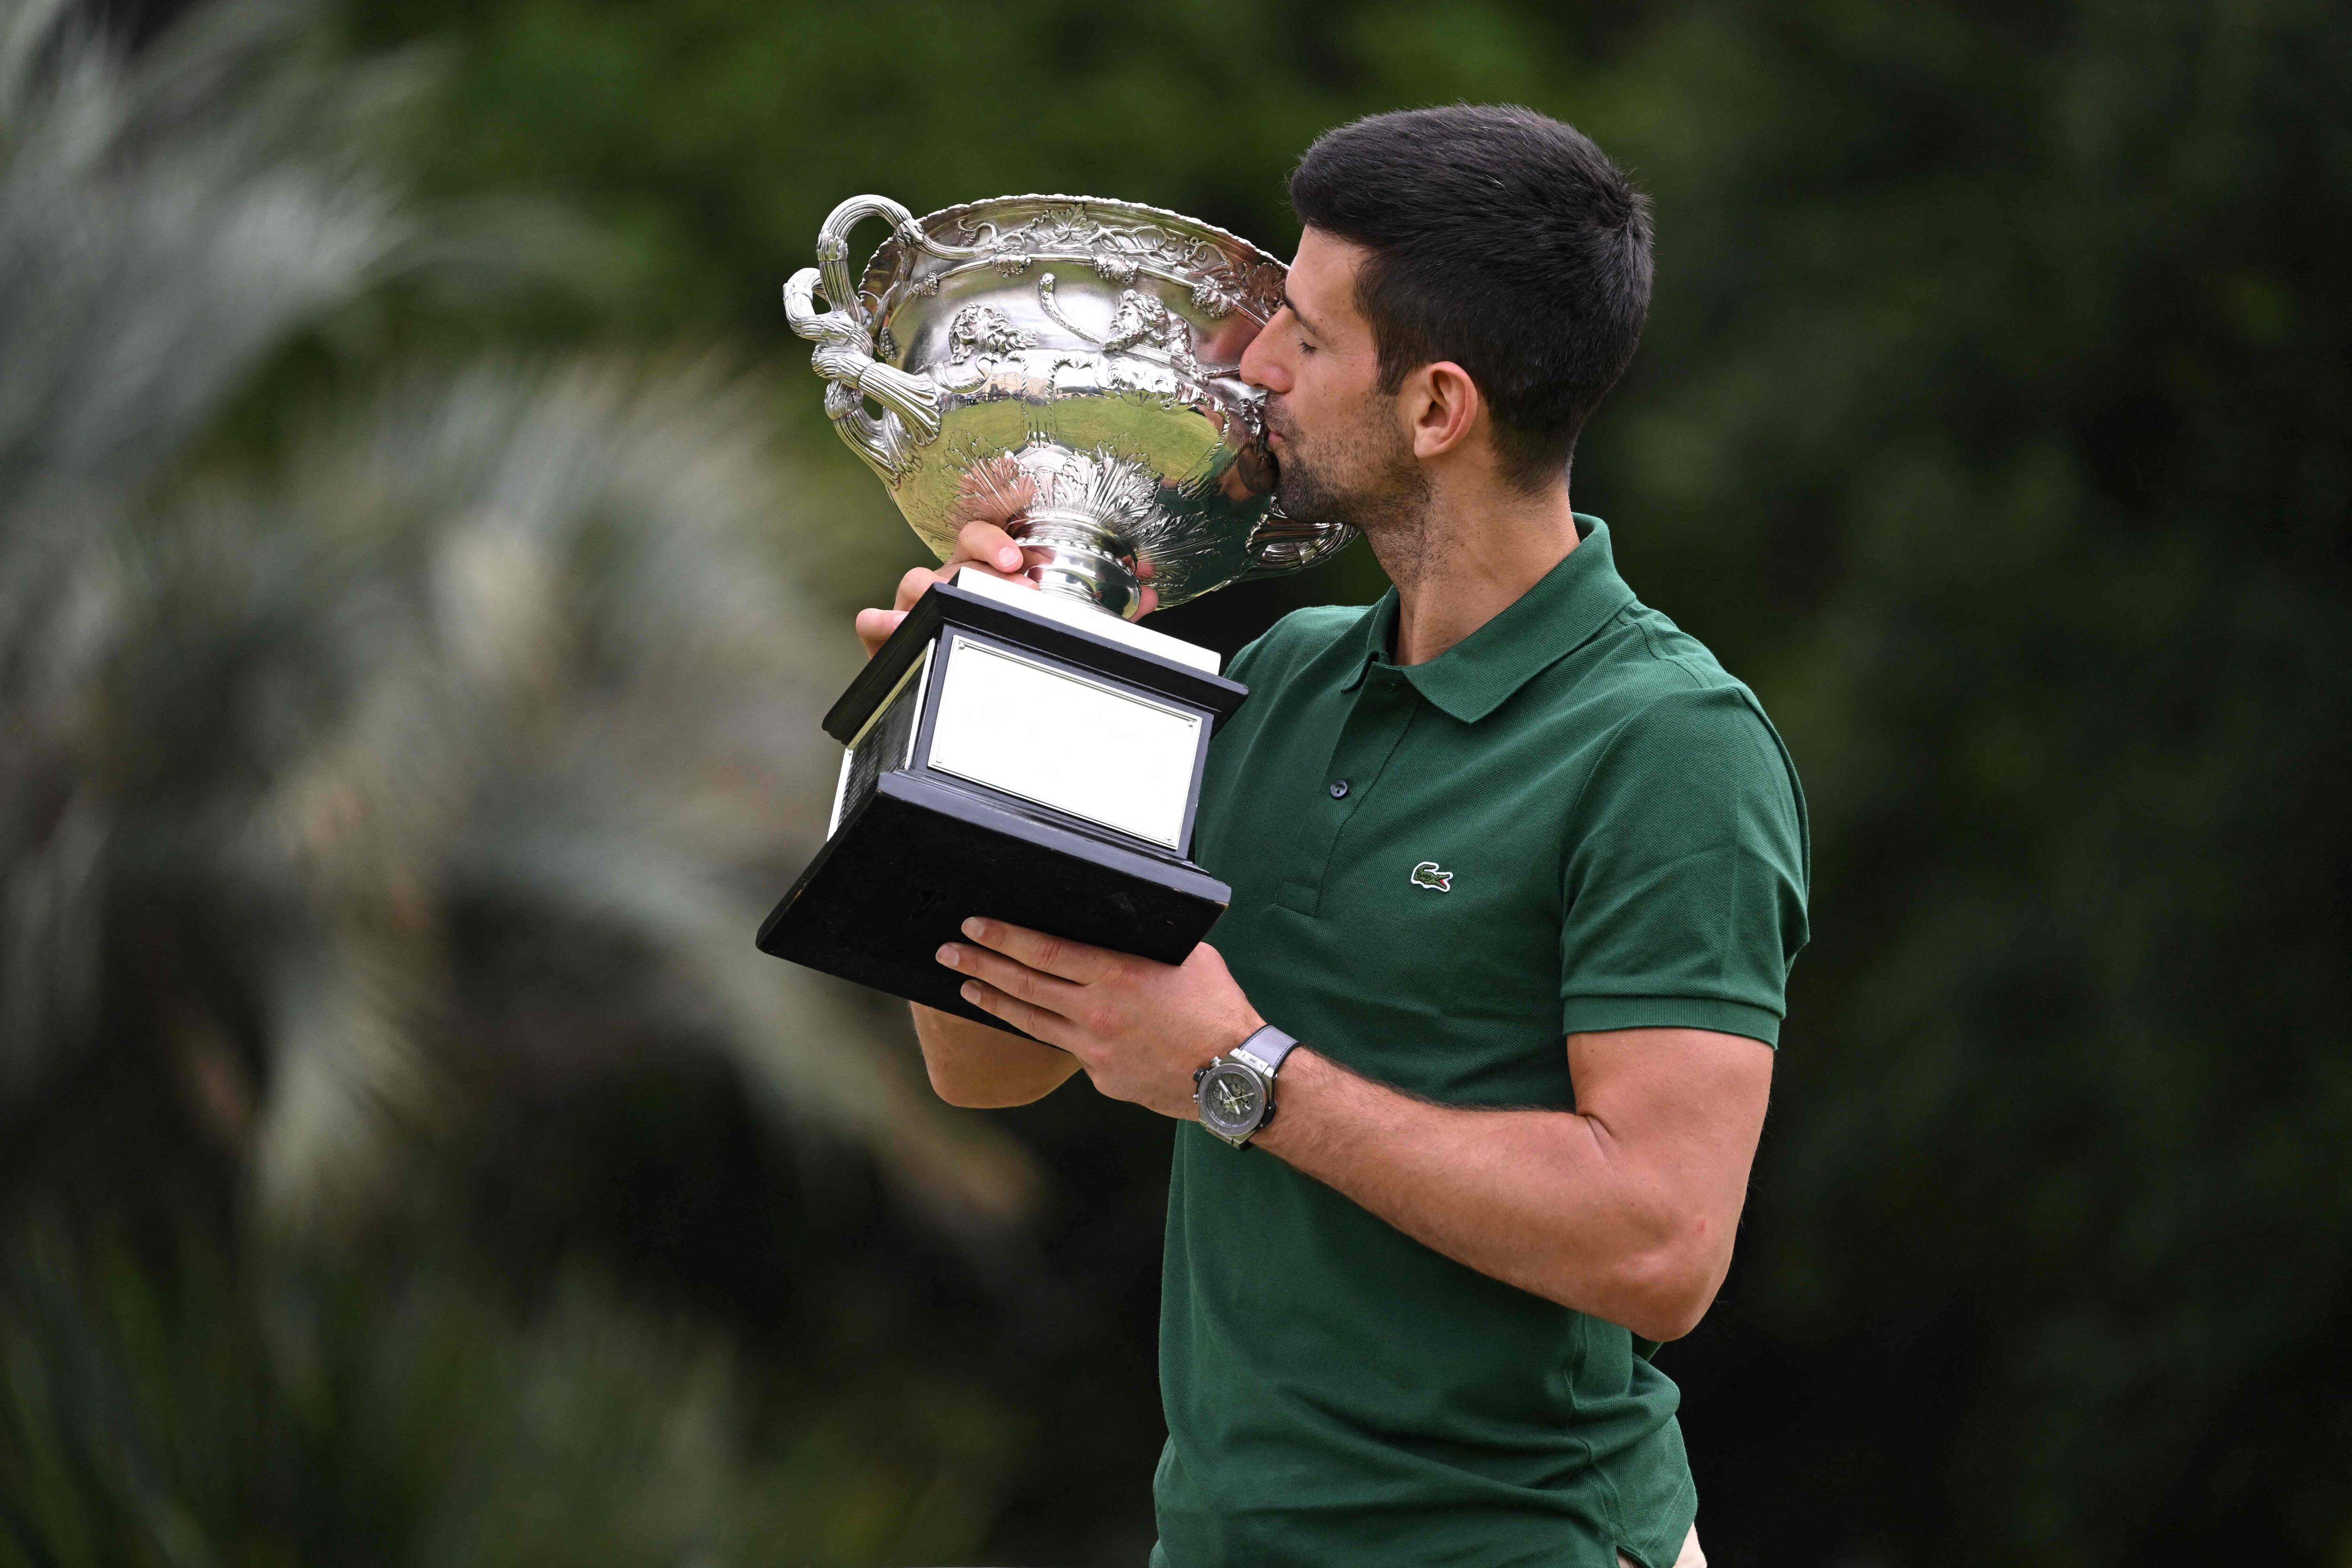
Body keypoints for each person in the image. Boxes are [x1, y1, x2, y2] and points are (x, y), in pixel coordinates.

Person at [853, 105, 1808, 1568]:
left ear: (1438, 408)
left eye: (1302, 336)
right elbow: (993, 1059)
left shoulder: (1672, 746)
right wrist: (985, 699)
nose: (1250, 369)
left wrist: (1241, 1073)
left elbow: (1661, 1249)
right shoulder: (1288, 674)